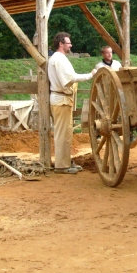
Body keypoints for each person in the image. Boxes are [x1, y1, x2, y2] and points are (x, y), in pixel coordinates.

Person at [48, 32, 96, 174]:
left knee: (65, 133)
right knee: (62, 134)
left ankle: (65, 162)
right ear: (61, 44)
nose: (71, 45)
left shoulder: (58, 58)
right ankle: (62, 166)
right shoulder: (59, 59)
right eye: (68, 43)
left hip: (61, 99)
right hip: (61, 100)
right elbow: (69, 78)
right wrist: (90, 75)